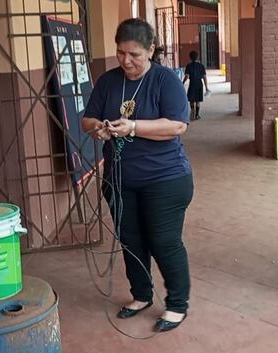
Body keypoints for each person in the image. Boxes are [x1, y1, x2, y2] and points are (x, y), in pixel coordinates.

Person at [81, 18, 193, 333]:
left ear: (150, 50)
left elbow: (176, 126)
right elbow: (87, 120)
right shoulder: (108, 82)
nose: (126, 61)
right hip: (120, 180)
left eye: (135, 55)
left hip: (166, 179)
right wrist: (100, 129)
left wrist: (133, 127)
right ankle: (141, 295)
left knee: (163, 240)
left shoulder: (165, 80)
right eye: (120, 53)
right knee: (130, 240)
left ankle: (177, 304)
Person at [183, 51, 209, 120]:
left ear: (190, 57)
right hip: (199, 84)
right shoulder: (201, 66)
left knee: (191, 99)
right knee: (198, 100)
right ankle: (197, 114)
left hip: (192, 84)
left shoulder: (189, 66)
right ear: (197, 57)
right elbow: (204, 77)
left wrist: (182, 82)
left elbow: (187, 76)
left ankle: (192, 111)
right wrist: (206, 87)